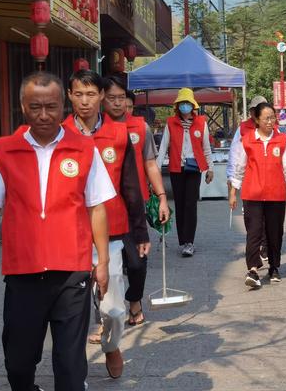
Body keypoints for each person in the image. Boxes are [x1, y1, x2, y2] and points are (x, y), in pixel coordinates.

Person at [0, 72, 115, 391]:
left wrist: (103, 262)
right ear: (22, 107)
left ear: (62, 106)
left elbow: (96, 206)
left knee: (70, 367)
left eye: (51, 107)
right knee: (18, 363)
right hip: (22, 273)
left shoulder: (85, 150)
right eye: (35, 107)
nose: (44, 115)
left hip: (72, 271)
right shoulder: (1, 153)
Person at [63, 70, 150, 379]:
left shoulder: (118, 133)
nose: (84, 101)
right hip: (69, 234)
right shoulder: (59, 134)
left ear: (101, 96)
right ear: (70, 96)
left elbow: (130, 185)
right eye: (78, 94)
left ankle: (111, 346)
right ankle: (74, 370)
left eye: (91, 94)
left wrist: (139, 230)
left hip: (111, 232)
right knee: (71, 310)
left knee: (112, 307)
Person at [102, 75, 170, 326]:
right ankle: (104, 318)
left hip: (135, 204)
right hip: (102, 208)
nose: (118, 103)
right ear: (102, 99)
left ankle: (134, 300)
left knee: (137, 262)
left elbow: (151, 164)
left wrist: (162, 197)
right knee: (105, 265)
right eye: (112, 98)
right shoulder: (95, 130)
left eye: (122, 98)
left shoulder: (140, 128)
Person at [229, 102, 286, 288]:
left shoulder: (281, 140)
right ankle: (253, 270)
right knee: (253, 233)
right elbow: (239, 168)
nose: (271, 121)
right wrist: (233, 192)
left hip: (276, 195)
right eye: (267, 118)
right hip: (252, 194)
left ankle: (273, 267)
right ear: (257, 119)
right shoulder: (247, 140)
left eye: (273, 117)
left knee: (274, 233)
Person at [156, 88, 214, 257]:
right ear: (177, 105)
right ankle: (183, 240)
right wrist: (156, 170)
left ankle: (189, 242)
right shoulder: (170, 123)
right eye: (182, 103)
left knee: (190, 204)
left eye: (187, 103)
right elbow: (163, 148)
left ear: (193, 105)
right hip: (176, 168)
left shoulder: (201, 123)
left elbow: (206, 148)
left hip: (194, 169)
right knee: (180, 205)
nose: (185, 106)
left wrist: (210, 169)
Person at [226, 95, 268, 260]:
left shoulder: (273, 127)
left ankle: (265, 245)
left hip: (268, 178)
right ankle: (254, 245)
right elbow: (235, 154)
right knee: (251, 215)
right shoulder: (242, 129)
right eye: (254, 110)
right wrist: (231, 177)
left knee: (266, 214)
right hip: (249, 179)